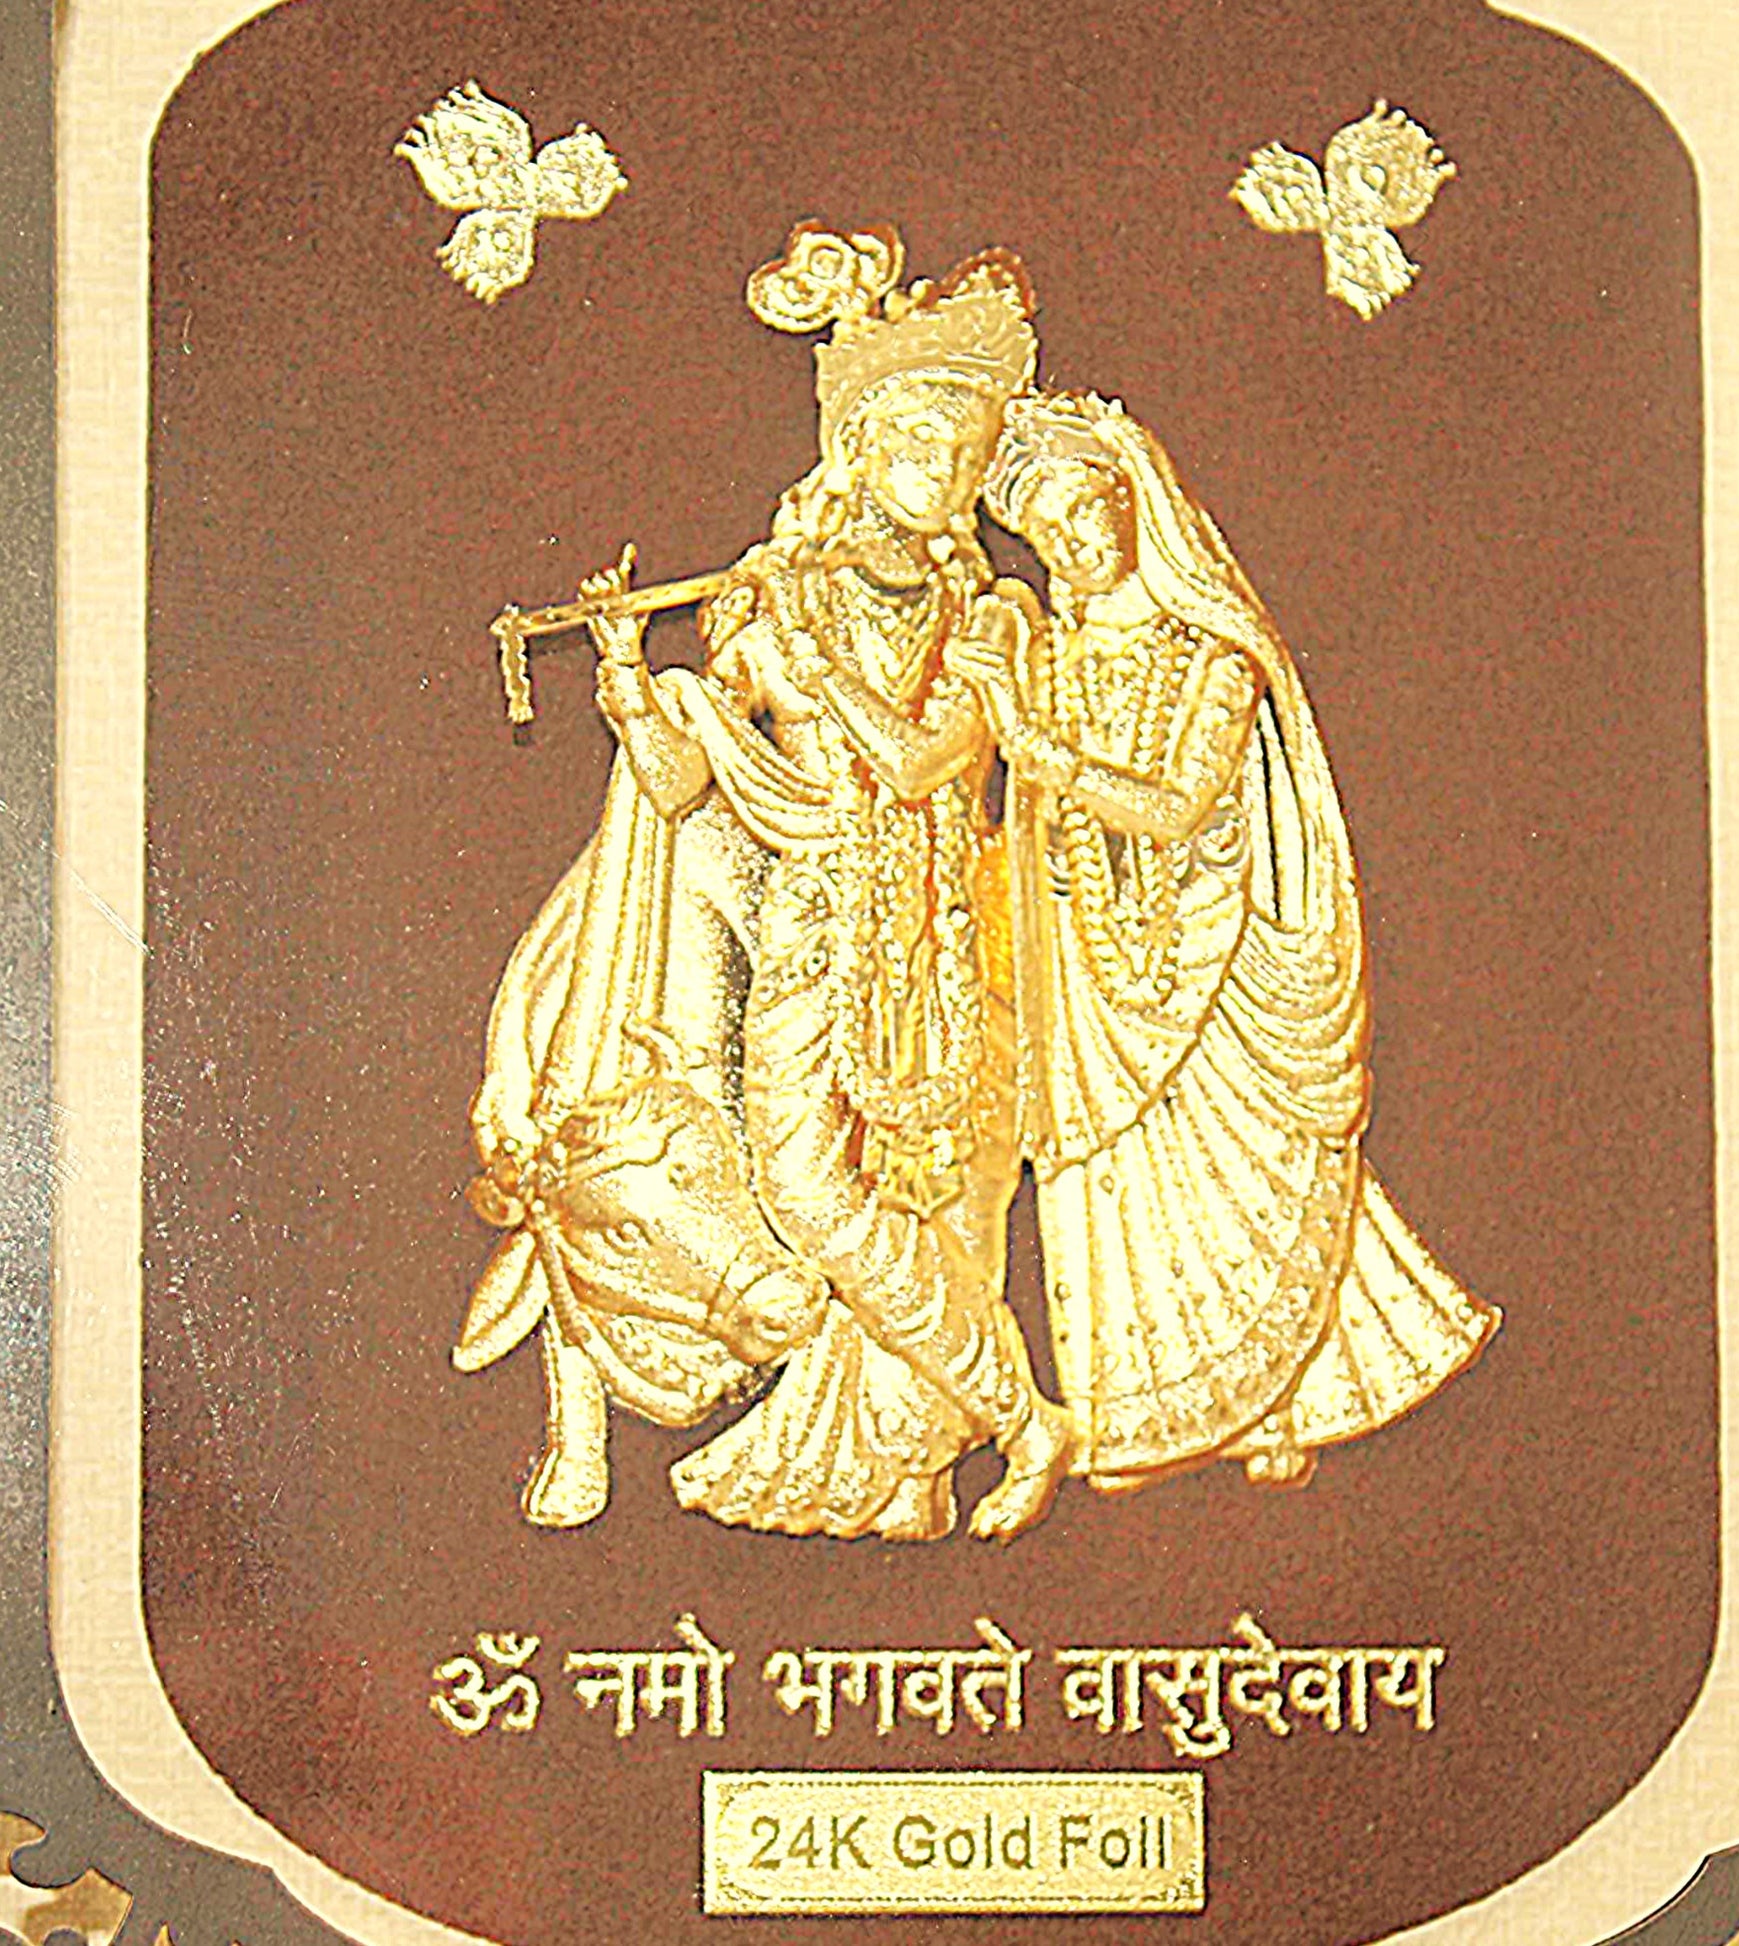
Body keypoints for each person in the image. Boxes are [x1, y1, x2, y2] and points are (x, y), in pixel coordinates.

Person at [495, 227, 1074, 1542]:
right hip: (809, 940)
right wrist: (631, 678)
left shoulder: (992, 619)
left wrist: (820, 672)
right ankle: (1018, 1412)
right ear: (859, 454)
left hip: (940, 946)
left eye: (967, 453)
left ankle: (944, 1451)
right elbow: (677, 781)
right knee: (806, 1192)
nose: (947, 474)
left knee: (937, 1205)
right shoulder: (775, 612)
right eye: (919, 445)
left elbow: (923, 760)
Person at [953, 389, 1498, 1492]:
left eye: (1085, 513)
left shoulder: (1215, 658)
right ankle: (1135, 1420)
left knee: (1240, 1171)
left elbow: (1177, 809)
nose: (1071, 543)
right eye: (1047, 531)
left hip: (1209, 959)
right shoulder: (1047, 655)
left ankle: (1290, 1393)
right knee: (1115, 1176)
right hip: (1086, 970)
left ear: (1135, 507)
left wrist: (1036, 749)